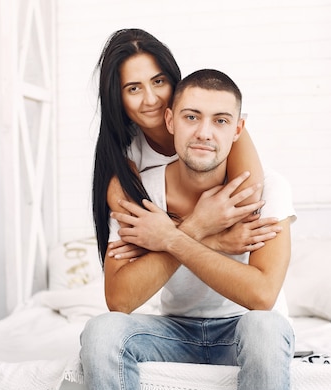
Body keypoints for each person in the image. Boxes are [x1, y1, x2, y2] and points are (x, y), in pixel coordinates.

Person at [80, 69, 295, 390]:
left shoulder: (269, 188)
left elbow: (261, 295)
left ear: (238, 129)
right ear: (170, 121)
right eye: (191, 117)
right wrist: (199, 229)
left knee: (266, 326)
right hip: (175, 332)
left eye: (221, 120)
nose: (204, 133)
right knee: (101, 331)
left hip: (243, 331)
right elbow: (119, 299)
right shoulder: (139, 194)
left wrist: (167, 237)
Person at [92, 28, 279, 265]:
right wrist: (211, 236)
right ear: (116, 98)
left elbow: (248, 202)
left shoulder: (216, 124)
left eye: (158, 81)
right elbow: (138, 235)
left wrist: (167, 233)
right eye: (134, 88)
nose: (151, 99)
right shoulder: (125, 156)